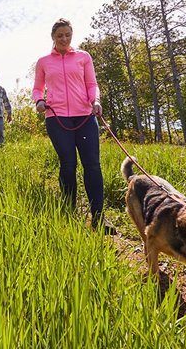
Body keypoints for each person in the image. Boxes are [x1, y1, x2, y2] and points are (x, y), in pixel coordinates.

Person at [32, 18, 112, 234]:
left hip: (85, 116)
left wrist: (95, 101)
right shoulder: (43, 62)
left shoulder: (83, 57)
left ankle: (99, 217)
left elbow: (92, 84)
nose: (64, 39)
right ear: (53, 37)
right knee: (68, 164)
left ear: (71, 35)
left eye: (67, 35)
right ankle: (69, 213)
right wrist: (39, 101)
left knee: (92, 165)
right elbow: (37, 88)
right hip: (56, 118)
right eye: (59, 35)